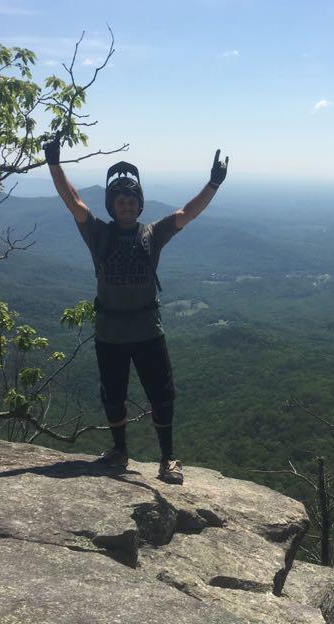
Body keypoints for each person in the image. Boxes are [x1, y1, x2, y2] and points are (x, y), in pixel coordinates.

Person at [43, 134, 228, 484]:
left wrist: (213, 183)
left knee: (161, 394)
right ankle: (119, 451)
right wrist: (55, 163)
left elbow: (186, 214)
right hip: (111, 332)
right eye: (120, 201)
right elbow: (74, 201)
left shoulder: (152, 234)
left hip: (146, 331)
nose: (126, 206)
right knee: (112, 395)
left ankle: (168, 458)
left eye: (131, 201)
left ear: (138, 205)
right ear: (112, 205)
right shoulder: (98, 233)